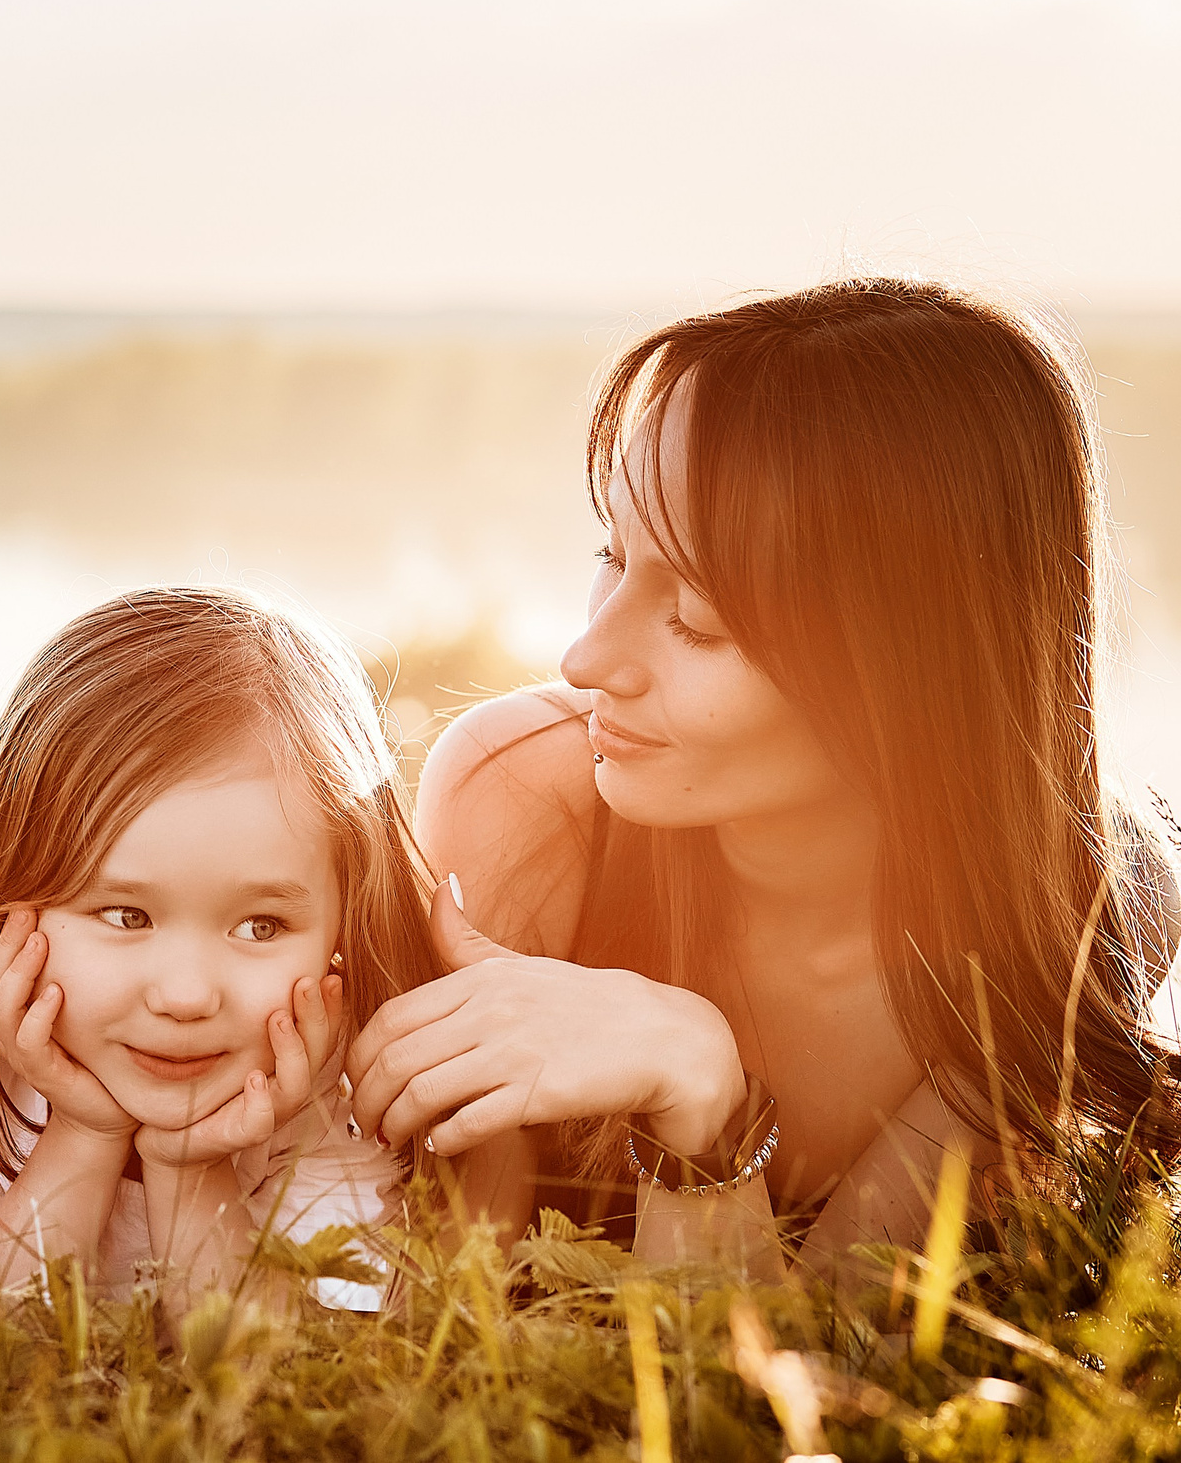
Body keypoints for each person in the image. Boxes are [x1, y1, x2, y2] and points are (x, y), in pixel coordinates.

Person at [346, 278, 1181, 1274]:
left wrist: (699, 1099)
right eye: (611, 559)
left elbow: (802, 1363)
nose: (584, 657)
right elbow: (435, 1285)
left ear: (908, 669)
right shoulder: (524, 796)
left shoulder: (1081, 903)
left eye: (696, 619)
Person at [0, 585, 438, 1314]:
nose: (185, 995)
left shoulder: (335, 1088)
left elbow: (284, 1386)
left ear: (346, 927)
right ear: (10, 884)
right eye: (126, 915)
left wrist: (191, 1169)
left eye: (260, 927)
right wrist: (84, 1137)